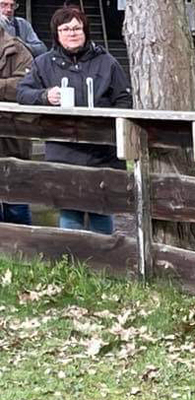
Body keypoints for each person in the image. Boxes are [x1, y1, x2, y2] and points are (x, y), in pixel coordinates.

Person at [16, 6, 131, 234]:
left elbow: (124, 99)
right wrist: (45, 96)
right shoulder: (43, 63)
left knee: (101, 211)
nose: (72, 33)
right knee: (70, 212)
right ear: (57, 34)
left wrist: (109, 126)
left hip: (101, 152)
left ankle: (104, 264)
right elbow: (22, 93)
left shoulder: (106, 61)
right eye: (65, 28)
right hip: (63, 151)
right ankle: (71, 265)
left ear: (85, 31)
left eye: (77, 28)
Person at [0, 23, 31, 225]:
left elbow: (25, 85)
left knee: (16, 206)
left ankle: (22, 254)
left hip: (12, 139)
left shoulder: (18, 49)